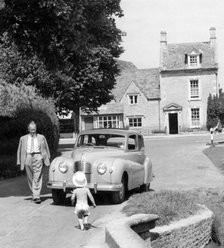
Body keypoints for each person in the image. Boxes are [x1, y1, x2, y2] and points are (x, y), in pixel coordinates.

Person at [17, 121, 50, 204]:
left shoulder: (41, 137)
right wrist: (19, 161)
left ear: (36, 129)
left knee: (37, 177)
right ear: (28, 129)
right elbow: (19, 150)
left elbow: (46, 147)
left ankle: (36, 196)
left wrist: (46, 158)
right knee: (30, 178)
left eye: (34, 129)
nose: (33, 131)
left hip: (38, 156)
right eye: (31, 130)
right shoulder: (23, 138)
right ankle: (34, 194)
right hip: (27, 157)